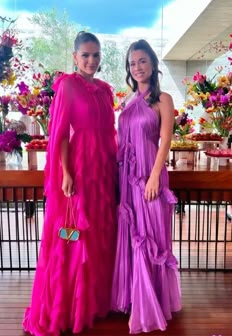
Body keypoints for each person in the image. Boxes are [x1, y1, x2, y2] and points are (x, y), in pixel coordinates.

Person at [23, 31, 117, 335]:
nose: (92, 60)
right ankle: (67, 308)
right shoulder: (66, 86)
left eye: (96, 55)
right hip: (78, 170)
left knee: (99, 233)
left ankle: (93, 302)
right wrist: (65, 172)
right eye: (86, 55)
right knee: (72, 235)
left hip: (102, 170)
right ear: (75, 57)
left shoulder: (105, 90)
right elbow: (60, 133)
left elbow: (111, 134)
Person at [111, 39, 182, 334]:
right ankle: (135, 298)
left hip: (151, 175)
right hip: (127, 177)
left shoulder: (163, 99)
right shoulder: (127, 101)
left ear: (152, 64)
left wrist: (154, 176)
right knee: (132, 236)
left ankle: (153, 302)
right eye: (132, 63)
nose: (137, 67)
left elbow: (165, 141)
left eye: (142, 61)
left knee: (151, 236)